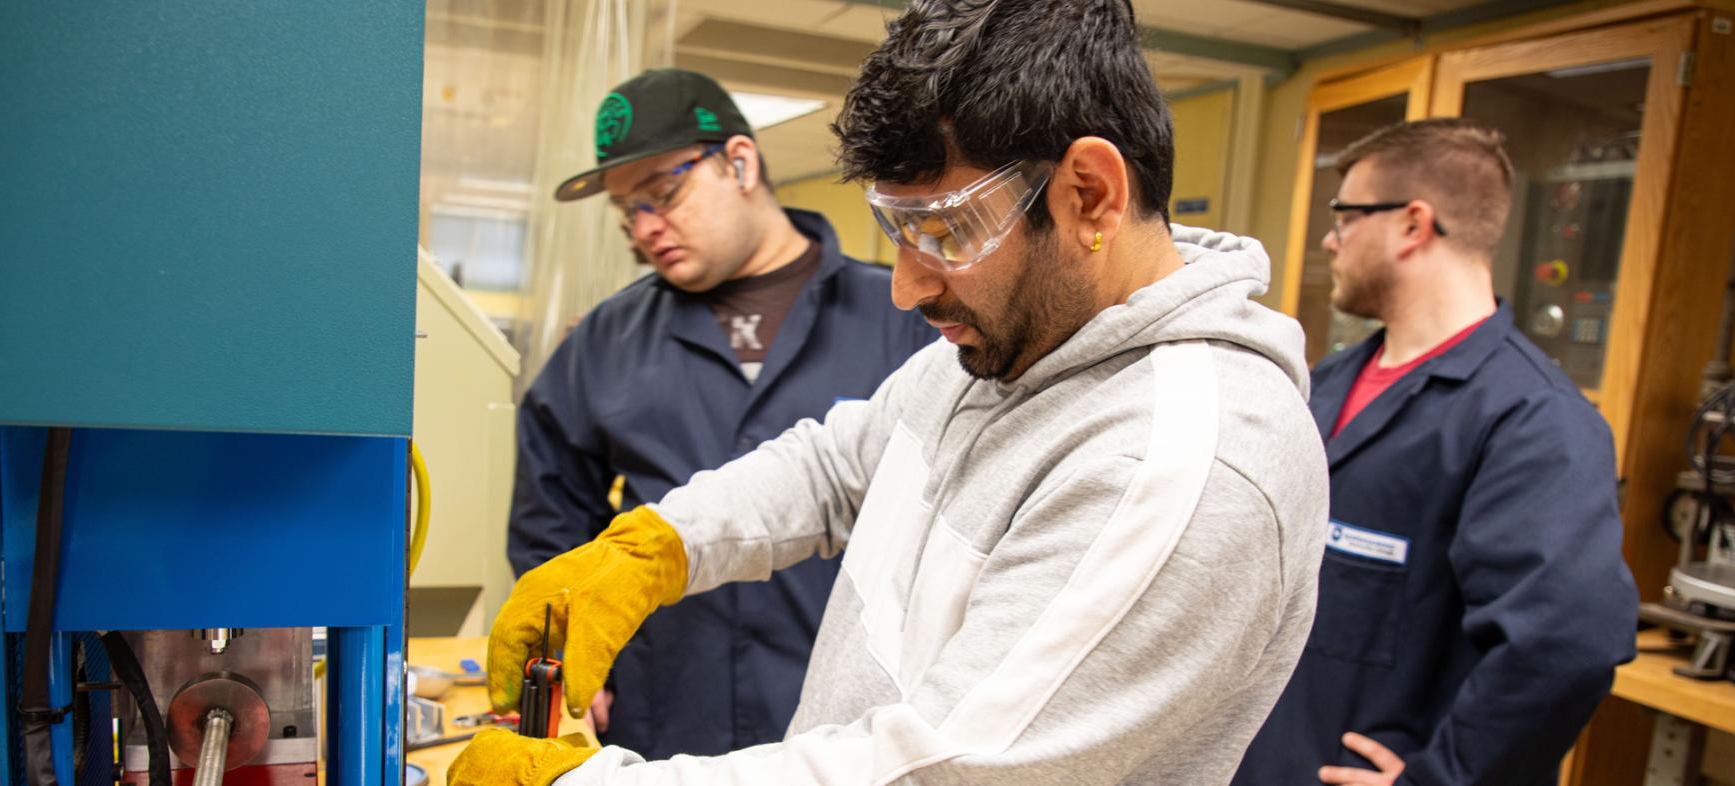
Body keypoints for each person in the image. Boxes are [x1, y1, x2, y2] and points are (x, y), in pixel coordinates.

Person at [453, 0, 1329, 782]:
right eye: (895, 231)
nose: (907, 289)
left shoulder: (1178, 458)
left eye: (943, 231)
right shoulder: (1015, 348)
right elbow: (838, 465)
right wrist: (653, 549)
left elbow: (944, 768)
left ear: (1089, 195)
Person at [505, 68, 935, 760]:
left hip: (851, 723)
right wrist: (568, 664)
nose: (646, 228)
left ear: (740, 161)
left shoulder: (901, 317)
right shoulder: (603, 342)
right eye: (627, 214)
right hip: (664, 713)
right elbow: (549, 520)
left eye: (663, 194)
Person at [1232, 119, 1639, 786]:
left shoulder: (1533, 421)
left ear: (1413, 224)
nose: (1331, 240)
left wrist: (1444, 779)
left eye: (1347, 217)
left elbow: (1567, 642)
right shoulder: (1323, 385)